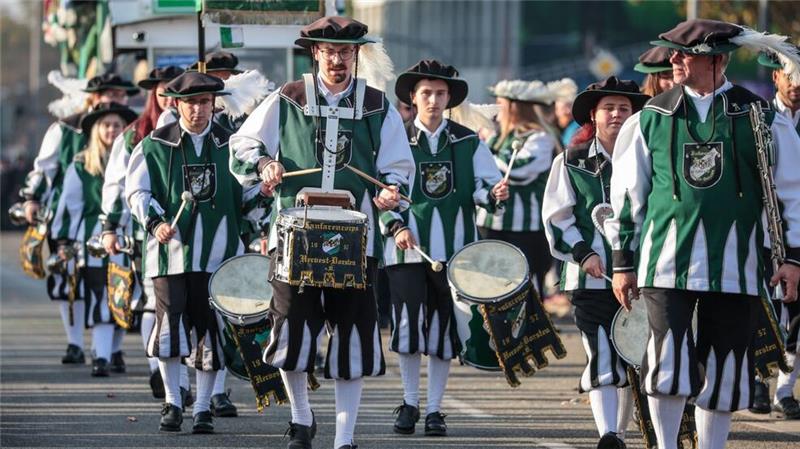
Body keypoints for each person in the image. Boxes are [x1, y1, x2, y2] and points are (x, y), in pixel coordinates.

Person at [605, 19, 800, 449]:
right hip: (664, 265)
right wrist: (623, 263)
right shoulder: (648, 120)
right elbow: (626, 197)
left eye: (683, 54)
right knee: (667, 366)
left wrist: (792, 258)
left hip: (738, 266)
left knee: (725, 368)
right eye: (673, 53)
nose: (672, 60)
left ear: (716, 60)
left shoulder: (762, 117)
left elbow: (792, 194)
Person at [229, 16, 414, 449]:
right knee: (292, 331)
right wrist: (265, 165)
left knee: (351, 335)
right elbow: (242, 143)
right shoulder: (288, 98)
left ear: (356, 55)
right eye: (329, 52)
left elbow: (397, 166)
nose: (337, 60)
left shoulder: (375, 103)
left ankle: (344, 439)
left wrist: (391, 192)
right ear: (315, 53)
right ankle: (300, 418)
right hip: (294, 236)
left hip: (357, 240)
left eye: (346, 52)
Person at [125, 71, 266, 434]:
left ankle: (202, 407)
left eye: (204, 102)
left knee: (211, 331)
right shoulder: (155, 145)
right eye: (190, 103)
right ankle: (173, 402)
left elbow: (245, 201)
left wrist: (264, 193)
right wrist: (156, 222)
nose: (198, 110)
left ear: (214, 104)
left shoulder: (232, 145)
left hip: (219, 258)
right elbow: (137, 193)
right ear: (176, 103)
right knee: (170, 327)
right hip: (168, 253)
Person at [384, 59, 508, 437]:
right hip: (406, 249)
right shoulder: (396, 139)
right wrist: (396, 225)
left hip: (455, 253)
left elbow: (484, 189)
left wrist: (494, 193)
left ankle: (435, 410)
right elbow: (383, 194)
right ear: (412, 97)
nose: (433, 100)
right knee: (407, 328)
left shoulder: (468, 140)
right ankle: (409, 402)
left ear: (449, 97)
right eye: (426, 93)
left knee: (442, 332)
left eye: (440, 93)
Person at [542, 77, 649, 449]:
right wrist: (583, 253)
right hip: (590, 278)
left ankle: (617, 432)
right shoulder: (570, 161)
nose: (617, 114)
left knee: (632, 356)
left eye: (624, 108)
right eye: (609, 107)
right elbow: (557, 217)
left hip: (642, 277)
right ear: (594, 114)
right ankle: (608, 435)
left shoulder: (650, 156)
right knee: (601, 349)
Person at [20, 73, 138, 365]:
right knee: (68, 281)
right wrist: (32, 197)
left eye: (120, 95)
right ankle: (75, 343)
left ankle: (111, 348)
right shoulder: (66, 129)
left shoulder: (130, 131)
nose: (113, 99)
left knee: (118, 285)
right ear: (93, 98)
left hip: (117, 222)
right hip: (70, 215)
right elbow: (44, 167)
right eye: (107, 94)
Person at [100, 66, 184, 399]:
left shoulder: (200, 130)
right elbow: (119, 184)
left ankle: (185, 379)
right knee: (152, 300)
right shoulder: (135, 134)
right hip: (144, 232)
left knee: (184, 306)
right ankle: (157, 370)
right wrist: (110, 227)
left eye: (174, 93)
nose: (169, 100)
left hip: (188, 232)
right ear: (154, 95)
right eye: (163, 92)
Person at [50, 102, 137, 376]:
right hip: (95, 242)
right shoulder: (82, 164)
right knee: (101, 296)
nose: (112, 130)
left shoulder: (135, 157)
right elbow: (69, 204)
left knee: (126, 297)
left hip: (130, 239)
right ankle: (100, 356)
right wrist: (64, 241)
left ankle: (113, 350)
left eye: (117, 125)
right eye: (107, 125)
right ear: (97, 129)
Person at [749, 48, 800, 419]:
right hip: (764, 232)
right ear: (775, 78)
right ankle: (759, 382)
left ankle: (786, 389)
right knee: (761, 309)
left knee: (797, 316)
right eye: (789, 75)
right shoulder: (760, 120)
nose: (796, 85)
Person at [476, 79, 559, 294]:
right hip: (491, 223)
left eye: (500, 103)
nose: (496, 108)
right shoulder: (496, 136)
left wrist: (484, 154)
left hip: (526, 227)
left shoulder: (540, 137)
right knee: (492, 285)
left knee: (527, 287)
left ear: (514, 108)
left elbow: (518, 171)